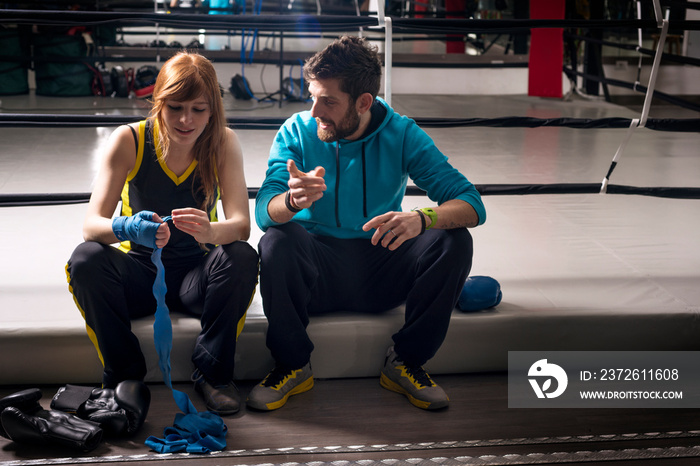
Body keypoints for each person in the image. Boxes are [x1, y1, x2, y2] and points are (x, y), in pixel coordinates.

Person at [248, 36, 486, 411]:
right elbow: (264, 212)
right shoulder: (297, 131)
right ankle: (292, 365)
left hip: (381, 264)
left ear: (363, 102)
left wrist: (423, 218)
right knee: (279, 238)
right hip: (317, 275)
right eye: (312, 96)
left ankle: (406, 363)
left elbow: (471, 204)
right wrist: (292, 200)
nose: (315, 111)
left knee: (453, 240)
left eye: (328, 100)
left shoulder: (402, 133)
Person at [66, 51, 259, 416]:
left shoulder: (222, 142)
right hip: (140, 272)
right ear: (158, 103)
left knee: (241, 255)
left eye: (199, 109)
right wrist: (127, 227)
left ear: (213, 110)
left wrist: (209, 230)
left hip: (194, 278)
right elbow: (91, 225)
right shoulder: (130, 140)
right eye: (176, 107)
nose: (187, 120)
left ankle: (214, 374)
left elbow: (241, 226)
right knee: (85, 259)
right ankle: (125, 375)